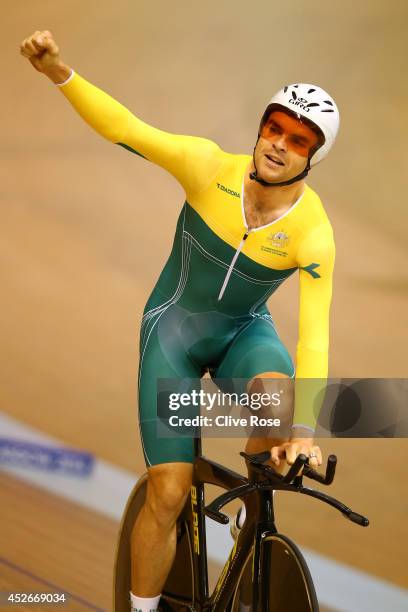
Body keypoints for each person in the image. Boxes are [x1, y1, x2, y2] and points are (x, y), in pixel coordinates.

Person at [20, 30, 339, 612]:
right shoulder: (206, 165)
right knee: (167, 495)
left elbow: (313, 336)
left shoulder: (314, 231)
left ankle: (252, 503)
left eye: (298, 140)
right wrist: (58, 71)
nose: (278, 145)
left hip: (245, 333)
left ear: (313, 157)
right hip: (174, 335)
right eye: (274, 127)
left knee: (282, 397)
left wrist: (305, 436)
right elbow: (128, 129)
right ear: (261, 128)